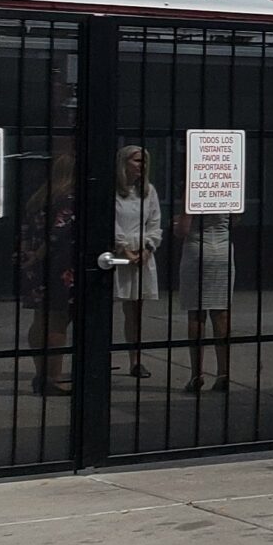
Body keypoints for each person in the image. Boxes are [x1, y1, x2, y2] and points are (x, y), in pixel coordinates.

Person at [19, 149, 78, 397]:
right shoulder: (69, 198)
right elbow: (57, 233)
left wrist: (28, 256)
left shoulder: (38, 197)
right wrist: (41, 253)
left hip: (35, 267)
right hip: (59, 265)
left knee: (39, 320)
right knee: (58, 319)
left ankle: (41, 372)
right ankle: (54, 377)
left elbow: (25, 229)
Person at [172, 200, 236, 393]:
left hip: (198, 248)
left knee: (197, 312)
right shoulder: (228, 183)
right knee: (221, 311)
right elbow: (235, 218)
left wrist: (175, 223)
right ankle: (223, 373)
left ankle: (196, 374)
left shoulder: (194, 186)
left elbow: (183, 229)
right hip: (224, 249)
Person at [111, 145, 163, 378]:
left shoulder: (148, 191)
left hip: (142, 252)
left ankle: (136, 359)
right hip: (118, 254)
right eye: (136, 161)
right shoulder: (113, 190)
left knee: (135, 311)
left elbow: (154, 222)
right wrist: (123, 248)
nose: (141, 166)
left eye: (143, 161)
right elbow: (110, 220)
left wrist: (148, 248)